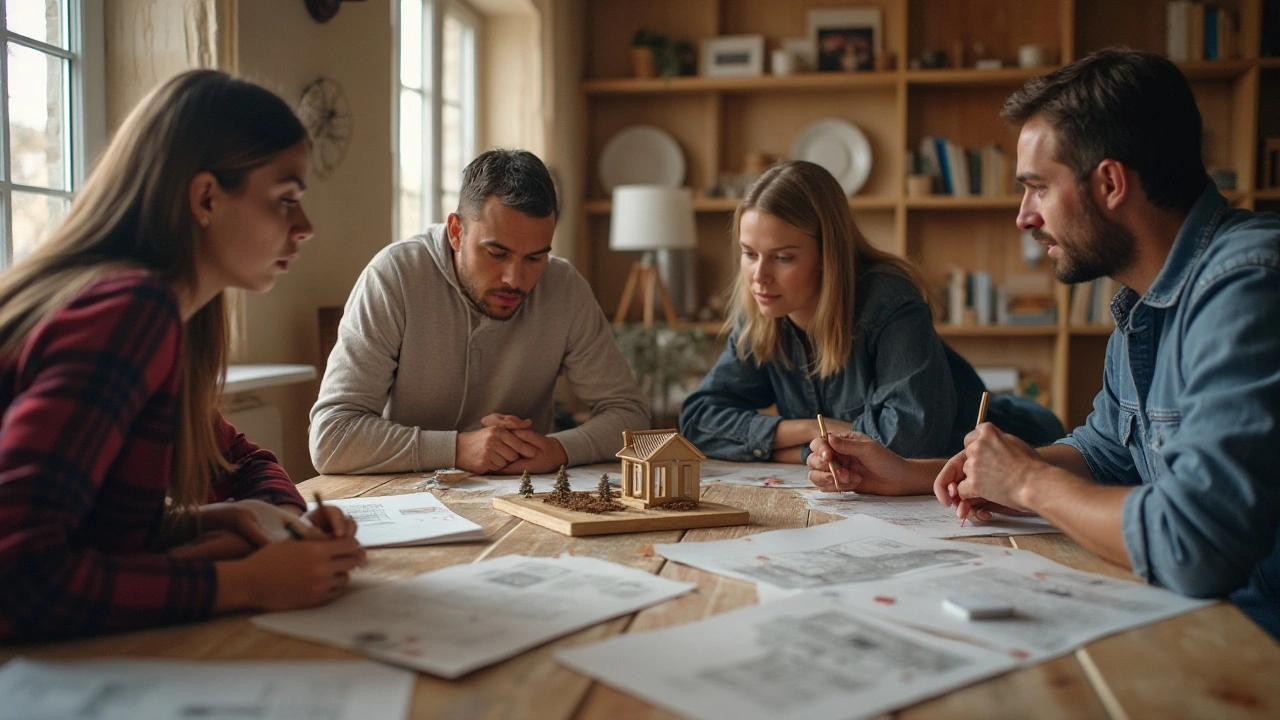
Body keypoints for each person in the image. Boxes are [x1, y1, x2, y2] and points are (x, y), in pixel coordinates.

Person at [807, 49, 1280, 638]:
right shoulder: (1144, 301)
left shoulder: (1248, 285)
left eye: (1037, 188)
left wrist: (1028, 482)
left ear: (1109, 182)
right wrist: (913, 474)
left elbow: (1194, 543)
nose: (1023, 217)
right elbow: (1107, 454)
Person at [0, 71, 365, 641]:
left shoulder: (172, 316)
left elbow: (239, 461)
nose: (306, 227)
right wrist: (244, 583)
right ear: (205, 197)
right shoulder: (128, 311)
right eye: (285, 200)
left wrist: (260, 520)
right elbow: (18, 576)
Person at [680, 161, 1063, 466]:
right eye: (749, 254)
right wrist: (814, 432)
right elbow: (698, 421)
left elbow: (911, 441)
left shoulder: (888, 300)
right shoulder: (763, 312)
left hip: (1025, 442)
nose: (759, 277)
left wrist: (799, 451)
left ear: (828, 254)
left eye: (782, 257)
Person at [310, 149, 649, 476]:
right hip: (402, 499)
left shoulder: (565, 288)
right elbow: (331, 437)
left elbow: (629, 413)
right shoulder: (393, 276)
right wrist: (457, 450)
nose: (515, 280)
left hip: (520, 502)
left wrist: (559, 450)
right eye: (497, 253)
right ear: (456, 232)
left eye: (535, 258)